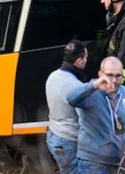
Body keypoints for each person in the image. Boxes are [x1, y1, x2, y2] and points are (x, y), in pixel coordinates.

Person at [67, 56, 125, 174]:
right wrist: (94, 85)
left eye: (118, 76)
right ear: (100, 74)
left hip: (120, 161)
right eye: (110, 75)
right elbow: (71, 98)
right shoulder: (90, 92)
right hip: (93, 162)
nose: (114, 80)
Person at [45, 39, 88, 174]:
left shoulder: (53, 76)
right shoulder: (74, 86)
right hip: (68, 141)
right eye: (86, 57)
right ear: (79, 61)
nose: (87, 61)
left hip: (54, 136)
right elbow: (85, 121)